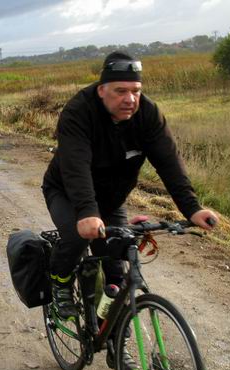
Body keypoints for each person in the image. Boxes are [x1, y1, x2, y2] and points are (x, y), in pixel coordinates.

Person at [42, 52, 219, 319]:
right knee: (78, 238)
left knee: (116, 267)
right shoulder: (79, 112)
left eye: (136, 90)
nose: (130, 99)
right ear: (102, 90)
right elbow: (75, 167)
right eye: (120, 91)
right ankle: (61, 283)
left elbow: (169, 163)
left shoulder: (148, 115)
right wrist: (88, 212)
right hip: (67, 192)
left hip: (112, 199)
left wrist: (192, 209)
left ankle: (114, 338)